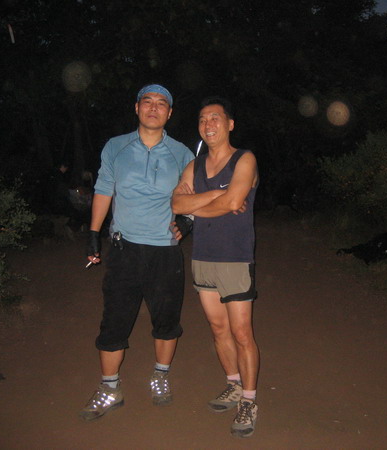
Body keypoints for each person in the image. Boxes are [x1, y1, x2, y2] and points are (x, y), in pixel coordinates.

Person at [80, 84, 194, 421]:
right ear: (137, 108)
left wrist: (188, 221)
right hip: (124, 249)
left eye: (161, 104)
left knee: (166, 321)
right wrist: (93, 233)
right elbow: (104, 188)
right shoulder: (116, 147)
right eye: (148, 102)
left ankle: (160, 376)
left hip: (165, 252)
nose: (154, 108)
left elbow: (195, 194)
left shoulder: (182, 153)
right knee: (114, 322)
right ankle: (110, 388)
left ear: (169, 113)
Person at [171, 96, 260, 438]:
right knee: (218, 329)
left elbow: (235, 200)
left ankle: (249, 401)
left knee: (242, 333)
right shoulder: (194, 166)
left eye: (215, 118)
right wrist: (216, 197)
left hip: (235, 257)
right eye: (202, 120)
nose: (208, 124)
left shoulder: (244, 159)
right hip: (203, 257)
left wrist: (200, 202)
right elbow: (176, 203)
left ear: (230, 124)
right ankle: (233, 384)